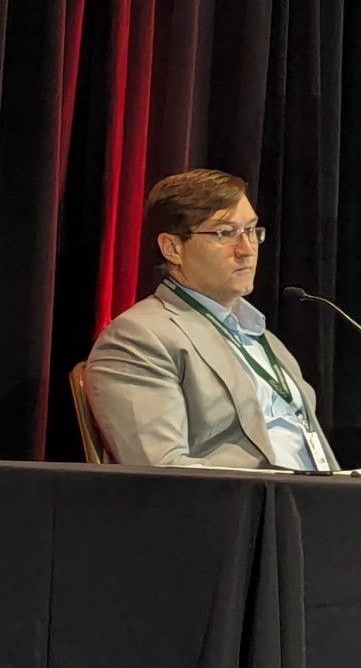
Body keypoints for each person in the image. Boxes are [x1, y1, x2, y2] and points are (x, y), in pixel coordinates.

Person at [87, 168, 337, 470]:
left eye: (251, 230)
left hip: (318, 503)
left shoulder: (265, 339)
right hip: (245, 509)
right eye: (224, 233)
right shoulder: (137, 338)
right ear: (173, 248)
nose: (246, 250)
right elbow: (162, 470)